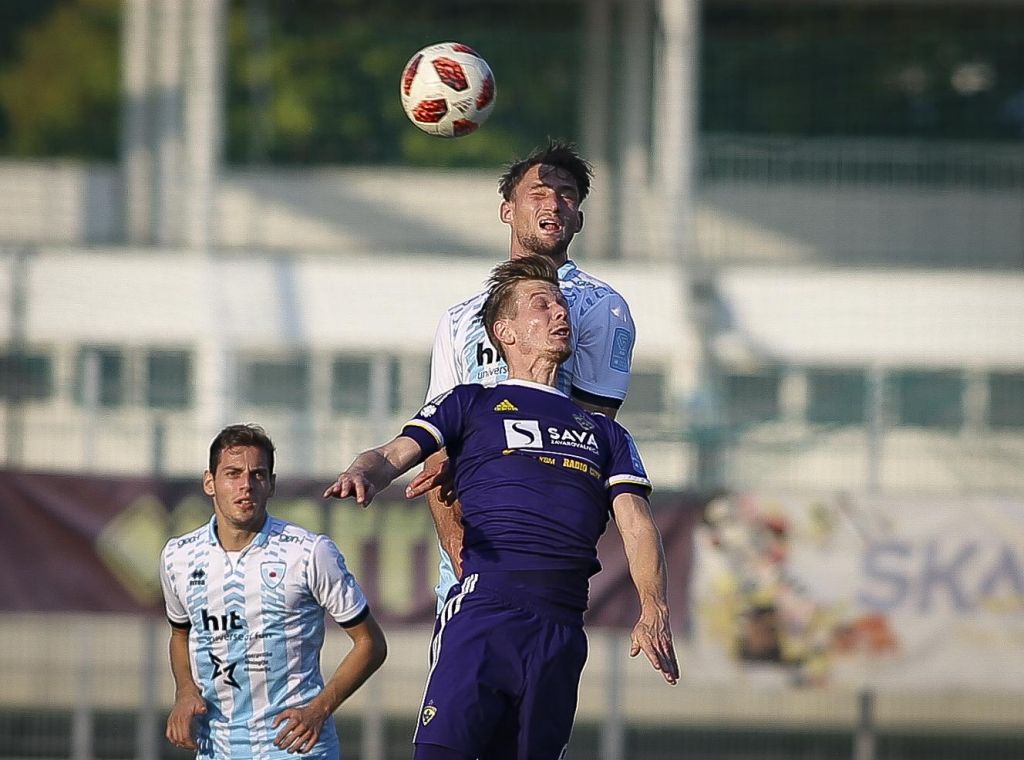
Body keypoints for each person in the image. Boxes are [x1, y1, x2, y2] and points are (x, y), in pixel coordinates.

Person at [325, 256, 677, 760]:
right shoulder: (471, 402)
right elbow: (391, 453)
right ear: (504, 331)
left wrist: (654, 608)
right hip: (487, 610)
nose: (560, 313)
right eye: (542, 304)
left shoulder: (606, 433)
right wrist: (363, 472)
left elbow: (638, 527)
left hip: (561, 628)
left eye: (561, 303)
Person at [409, 139, 638, 611]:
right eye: (538, 192)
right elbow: (436, 451)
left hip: (541, 547)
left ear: (578, 219)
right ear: (507, 210)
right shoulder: (460, 319)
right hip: (468, 553)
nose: (553, 202)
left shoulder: (599, 306)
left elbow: (594, 434)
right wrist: (456, 551)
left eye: (568, 195)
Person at [159, 424, 386, 759]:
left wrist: (319, 710)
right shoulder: (178, 556)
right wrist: (184, 690)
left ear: (272, 484)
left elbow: (371, 643)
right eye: (233, 474)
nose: (246, 486)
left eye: (258, 475)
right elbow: (181, 633)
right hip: (216, 748)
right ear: (210, 482)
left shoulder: (309, 552)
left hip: (296, 746)